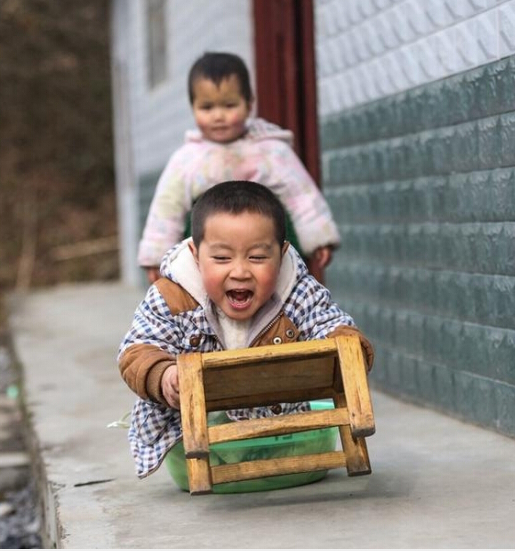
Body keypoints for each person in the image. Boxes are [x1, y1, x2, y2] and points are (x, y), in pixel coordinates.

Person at [118, 180, 373, 479]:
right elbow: (137, 350)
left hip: (279, 427)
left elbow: (329, 323)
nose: (240, 271)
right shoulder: (171, 296)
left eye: (257, 257)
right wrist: (162, 374)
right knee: (182, 403)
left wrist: (346, 346)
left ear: (281, 254)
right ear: (196, 255)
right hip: (200, 431)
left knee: (340, 345)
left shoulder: (296, 291)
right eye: (222, 258)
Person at [137, 51, 340, 285]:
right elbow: (166, 210)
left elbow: (301, 195)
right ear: (193, 107)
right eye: (207, 107)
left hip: (268, 254)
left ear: (249, 104)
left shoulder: (270, 151)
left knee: (284, 303)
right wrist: (157, 256)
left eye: (229, 105)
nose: (219, 116)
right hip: (209, 260)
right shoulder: (186, 160)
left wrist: (319, 238)